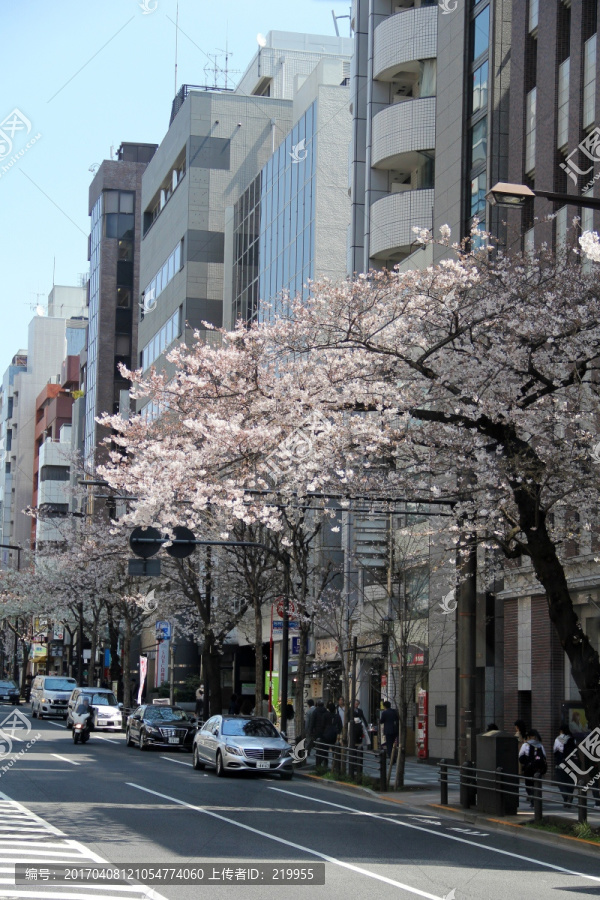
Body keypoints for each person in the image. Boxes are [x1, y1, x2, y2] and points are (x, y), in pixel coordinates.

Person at [519, 729, 547, 807]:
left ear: (529, 737)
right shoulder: (540, 745)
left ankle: (532, 799)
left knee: (528, 784)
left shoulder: (525, 745)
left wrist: (525, 763)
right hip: (538, 769)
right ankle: (537, 799)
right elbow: (544, 756)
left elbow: (520, 757)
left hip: (529, 769)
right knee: (537, 784)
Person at [553, 723, 577, 807]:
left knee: (561, 782)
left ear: (561, 730)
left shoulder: (558, 739)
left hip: (561, 765)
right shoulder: (572, 738)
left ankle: (566, 797)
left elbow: (555, 751)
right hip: (572, 765)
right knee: (570, 782)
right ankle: (569, 796)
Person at [312, 700, 330, 767]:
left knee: (318, 747)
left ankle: (318, 763)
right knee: (325, 747)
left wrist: (311, 731)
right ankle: (325, 761)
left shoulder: (315, 712)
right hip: (325, 732)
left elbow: (312, 722)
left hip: (317, 731)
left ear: (317, 705)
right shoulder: (326, 712)